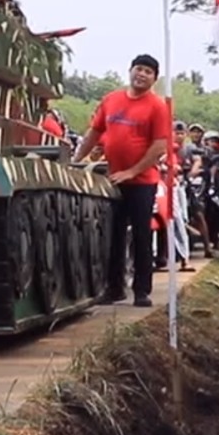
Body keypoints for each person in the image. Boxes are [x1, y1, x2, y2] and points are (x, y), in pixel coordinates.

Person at [72, 54, 171, 307]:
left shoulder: (157, 106)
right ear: (130, 71)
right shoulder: (111, 100)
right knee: (113, 235)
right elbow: (94, 132)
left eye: (148, 72)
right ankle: (115, 288)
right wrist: (77, 159)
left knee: (141, 235)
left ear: (154, 79)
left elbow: (159, 146)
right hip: (113, 180)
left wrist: (133, 171)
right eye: (139, 69)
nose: (142, 74)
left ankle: (142, 291)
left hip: (142, 182)